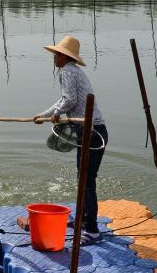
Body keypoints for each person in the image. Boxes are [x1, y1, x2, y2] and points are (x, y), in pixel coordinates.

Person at [35, 35, 108, 242]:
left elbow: (69, 100)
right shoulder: (74, 71)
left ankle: (92, 230)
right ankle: (82, 219)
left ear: (64, 56)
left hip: (92, 133)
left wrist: (56, 113)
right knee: (83, 179)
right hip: (92, 131)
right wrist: (45, 115)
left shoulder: (67, 71)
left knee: (86, 182)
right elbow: (64, 100)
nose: (54, 58)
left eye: (56, 54)